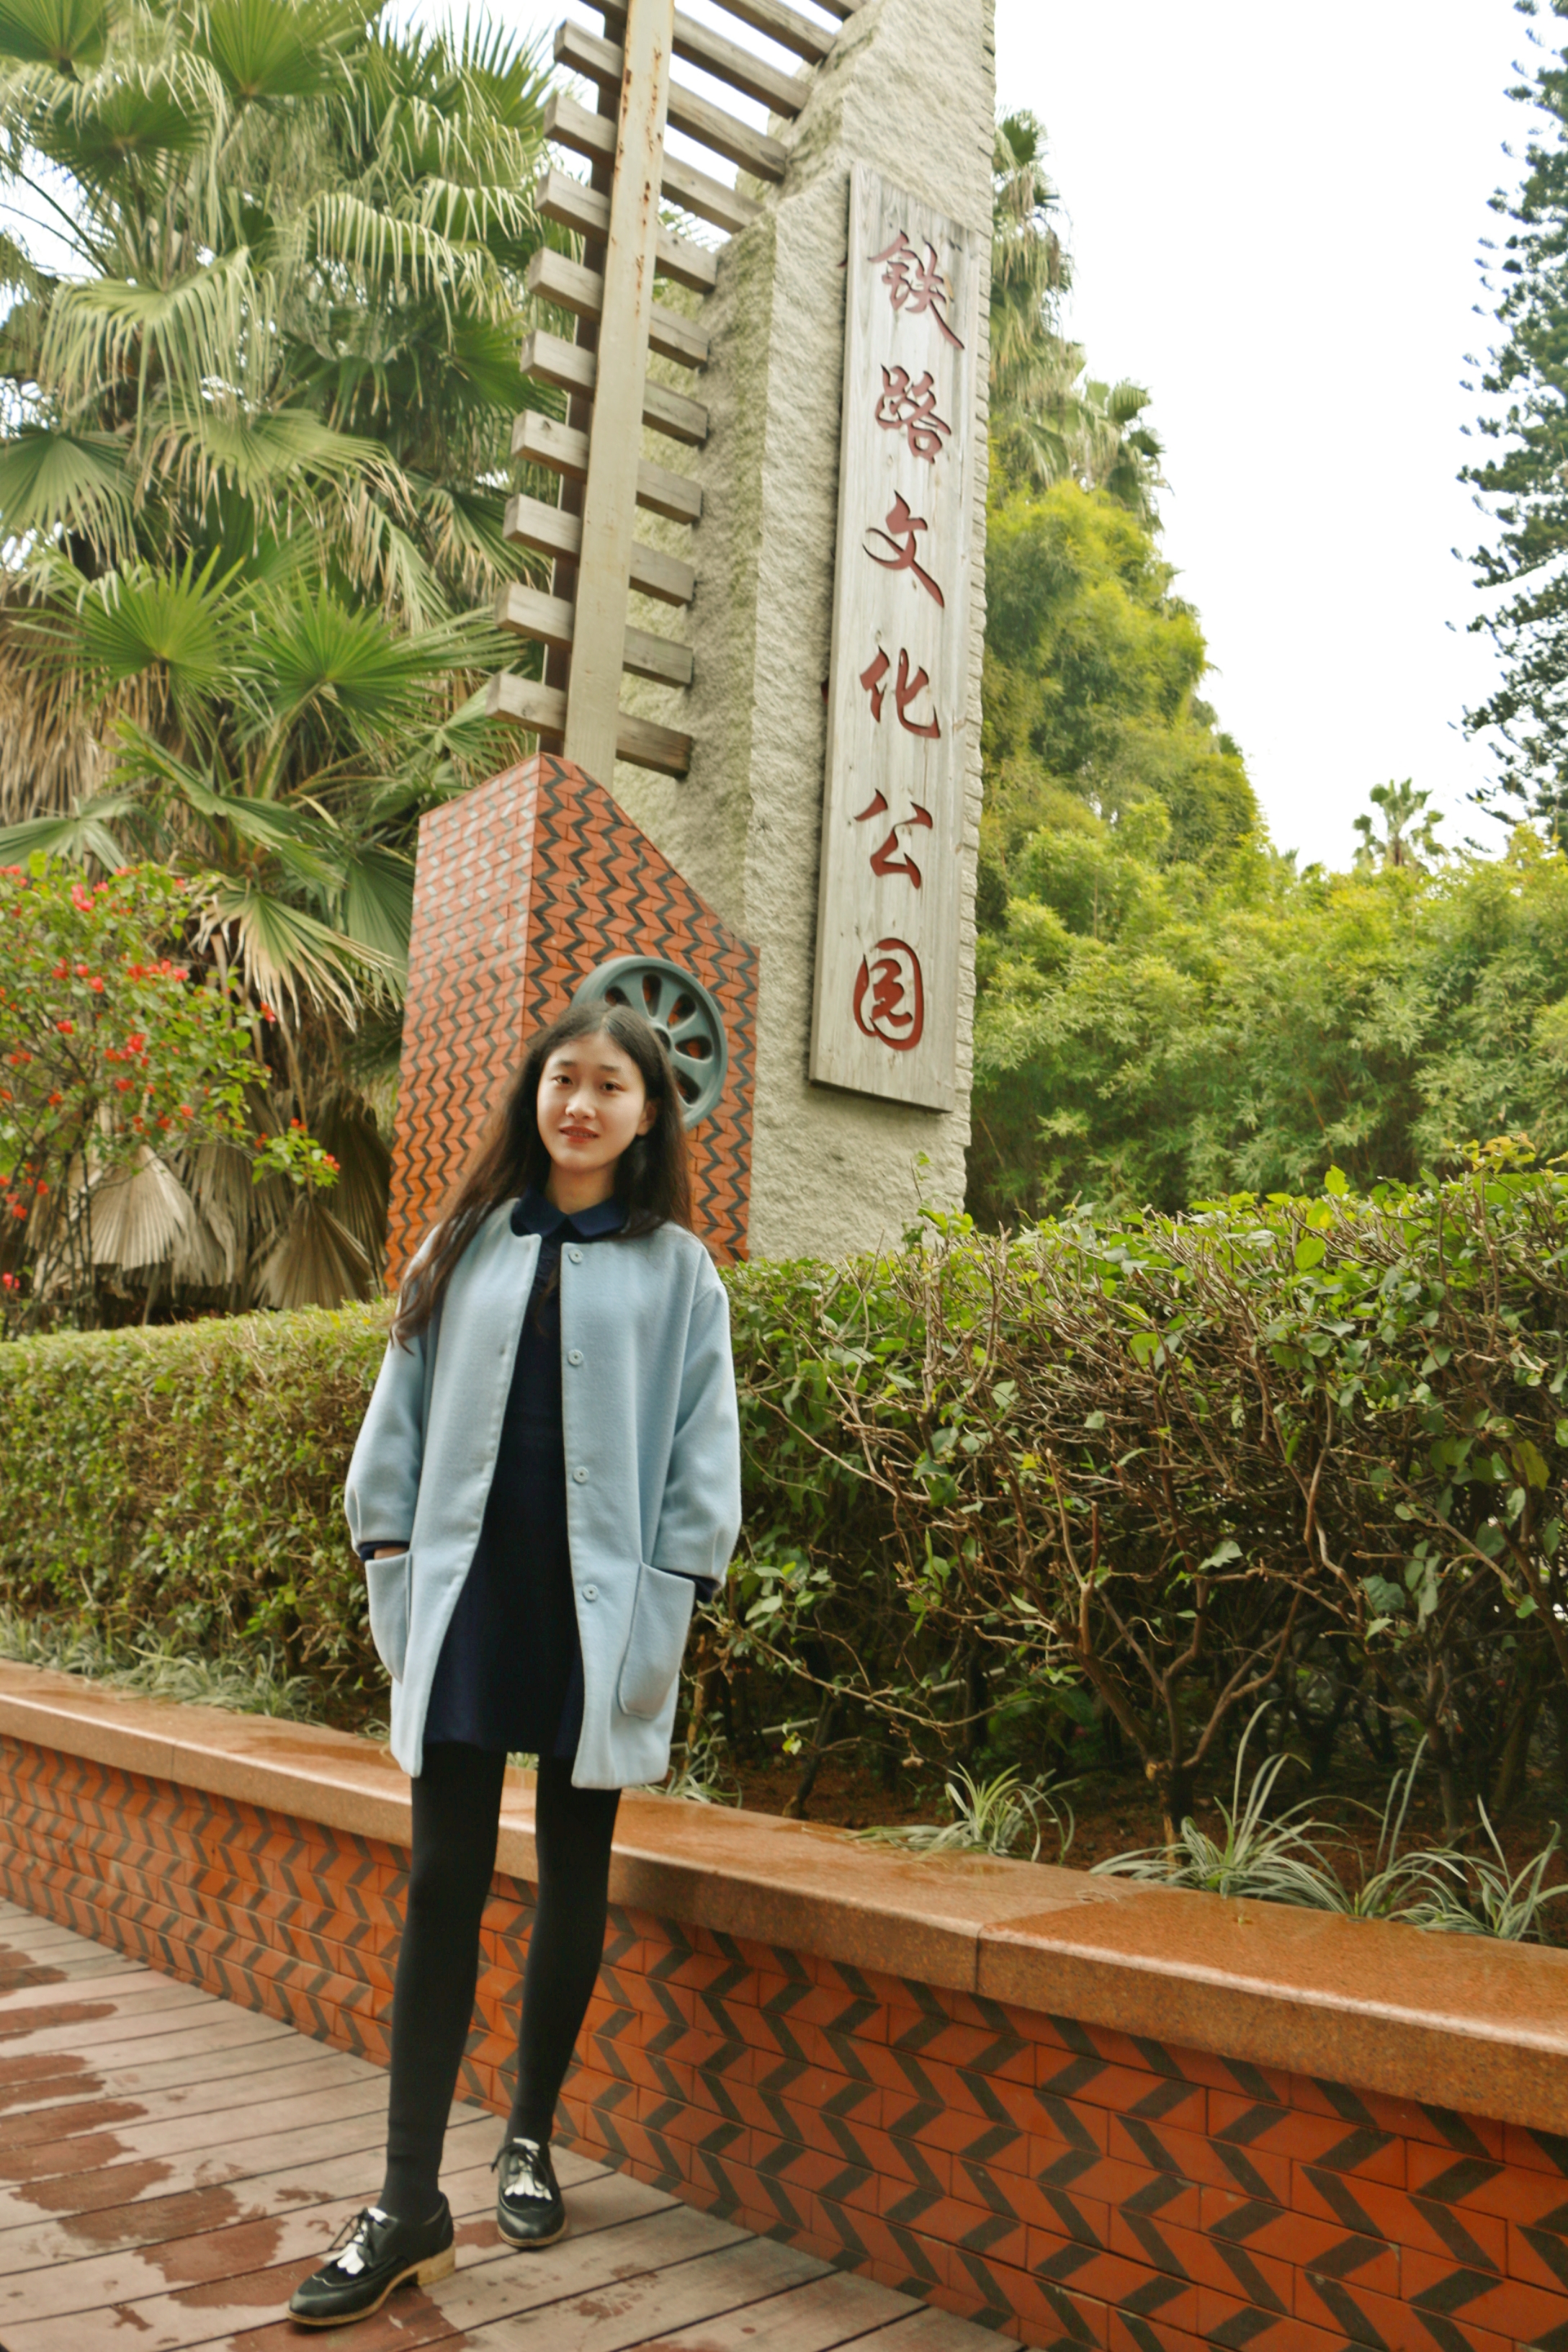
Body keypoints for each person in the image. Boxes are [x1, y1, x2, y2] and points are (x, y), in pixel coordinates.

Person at [287, 1001, 741, 2329]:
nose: (581, 1104)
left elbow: (703, 1459)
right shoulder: (462, 1241)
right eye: (563, 1079)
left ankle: (529, 2135)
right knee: (443, 1879)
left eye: (611, 1085)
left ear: (649, 1114)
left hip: (599, 1610)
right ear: (533, 1095)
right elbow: (398, 1416)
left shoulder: (680, 1272)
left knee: (573, 1876)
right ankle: (406, 2198)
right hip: (472, 1595)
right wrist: (388, 1553)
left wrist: (673, 1592)